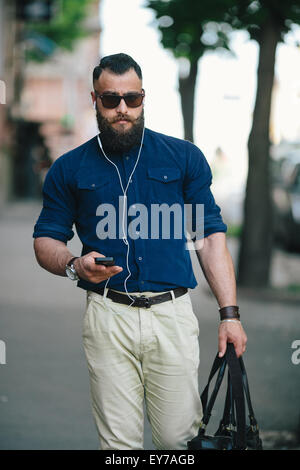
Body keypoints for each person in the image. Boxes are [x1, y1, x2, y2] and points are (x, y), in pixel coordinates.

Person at [33, 53, 247, 450]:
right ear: (94, 99)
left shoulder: (183, 158)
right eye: (111, 99)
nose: (122, 109)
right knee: (119, 447)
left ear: (144, 98)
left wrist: (229, 315)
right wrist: (73, 265)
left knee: (179, 442)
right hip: (107, 315)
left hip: (172, 316)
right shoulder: (68, 168)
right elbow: (46, 240)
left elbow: (210, 236)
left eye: (132, 98)